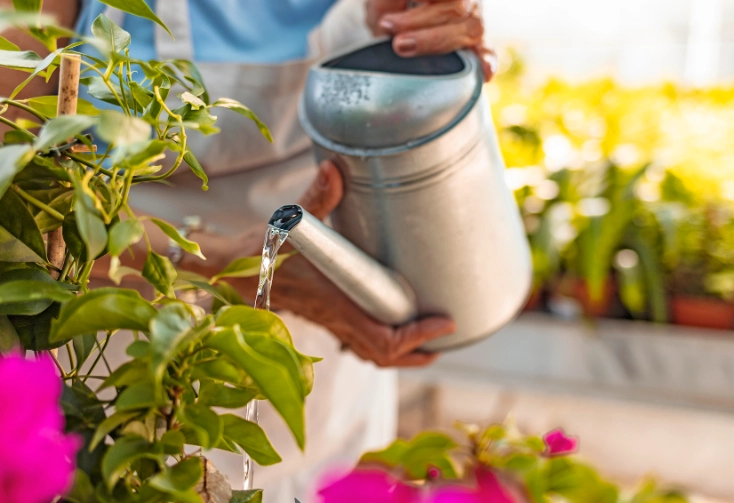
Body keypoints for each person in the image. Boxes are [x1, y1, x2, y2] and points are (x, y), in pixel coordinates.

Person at [0, 0, 496, 501]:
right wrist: (227, 266)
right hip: (122, 384)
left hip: (330, 386)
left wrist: (420, 39)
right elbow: (17, 209)